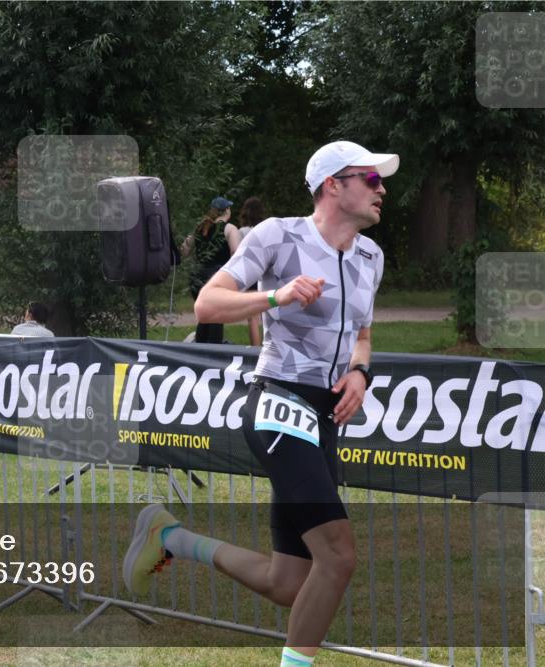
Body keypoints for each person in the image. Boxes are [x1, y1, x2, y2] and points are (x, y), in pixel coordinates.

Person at [123, 141, 397, 667]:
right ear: (333, 185)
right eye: (370, 177)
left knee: (289, 582)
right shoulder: (280, 234)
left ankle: (172, 537)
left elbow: (362, 335)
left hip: (325, 416)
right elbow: (208, 302)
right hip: (278, 402)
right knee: (338, 557)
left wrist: (361, 371)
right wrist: (277, 296)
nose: (382, 188)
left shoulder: (371, 256)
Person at [181, 196, 236, 344]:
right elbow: (236, 254)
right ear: (226, 211)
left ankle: (201, 349)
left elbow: (184, 250)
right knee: (217, 317)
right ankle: (213, 353)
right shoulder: (229, 229)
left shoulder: (200, 228)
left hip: (197, 278)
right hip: (217, 277)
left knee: (205, 316)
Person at [230, 196, 268, 346]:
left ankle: (256, 349)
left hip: (251, 274)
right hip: (265, 274)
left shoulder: (241, 231)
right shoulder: (265, 229)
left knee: (252, 317)